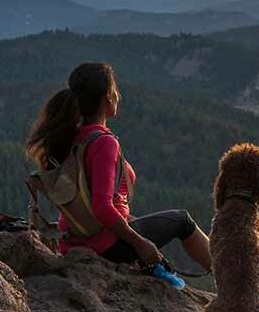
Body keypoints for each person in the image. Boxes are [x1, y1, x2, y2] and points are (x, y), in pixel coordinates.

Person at [24, 62, 214, 274]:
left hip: (74, 240)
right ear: (108, 96)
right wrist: (141, 243)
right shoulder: (104, 142)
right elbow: (102, 207)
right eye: (115, 90)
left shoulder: (73, 136)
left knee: (159, 222)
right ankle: (227, 283)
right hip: (106, 246)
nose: (118, 96)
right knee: (182, 220)